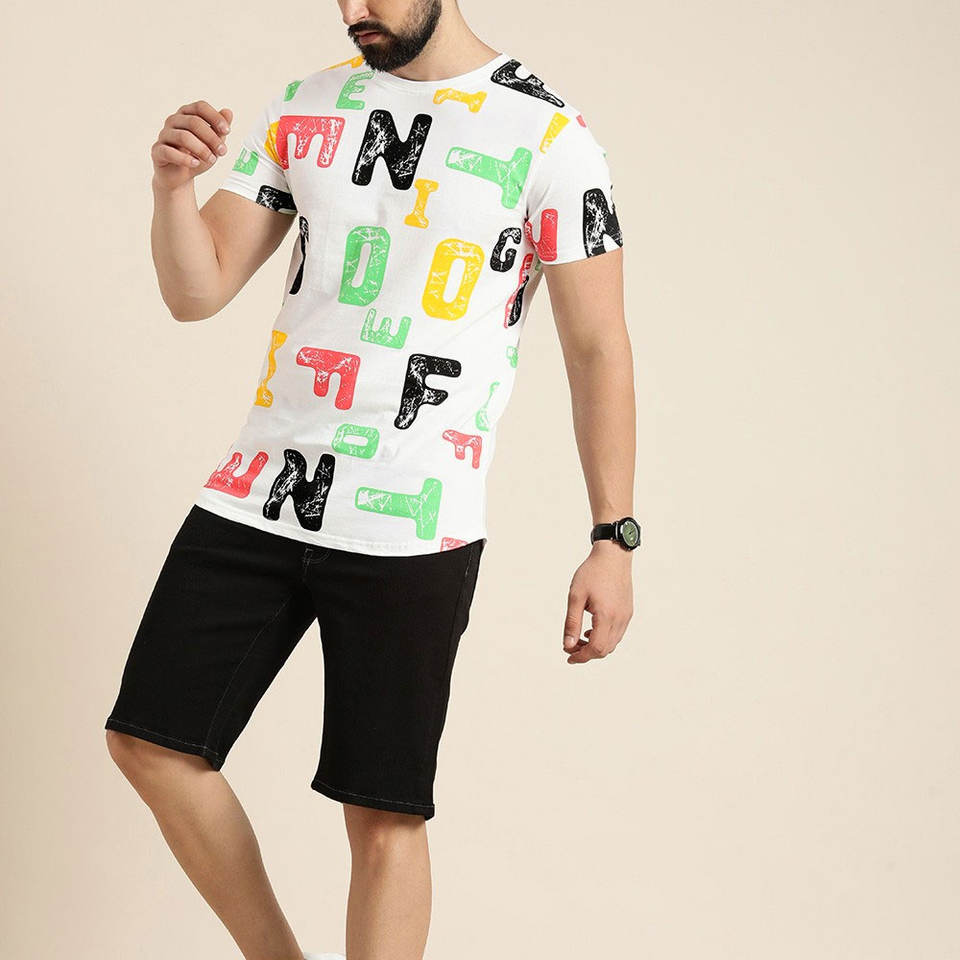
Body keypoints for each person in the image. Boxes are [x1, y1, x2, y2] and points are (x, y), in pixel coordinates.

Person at [104, 1, 638, 958]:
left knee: (383, 814)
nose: (356, 10)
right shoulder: (307, 106)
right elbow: (197, 289)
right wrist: (172, 189)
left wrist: (613, 537)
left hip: (414, 523)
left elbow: (599, 347)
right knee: (149, 740)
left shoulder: (548, 134)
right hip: (262, 489)